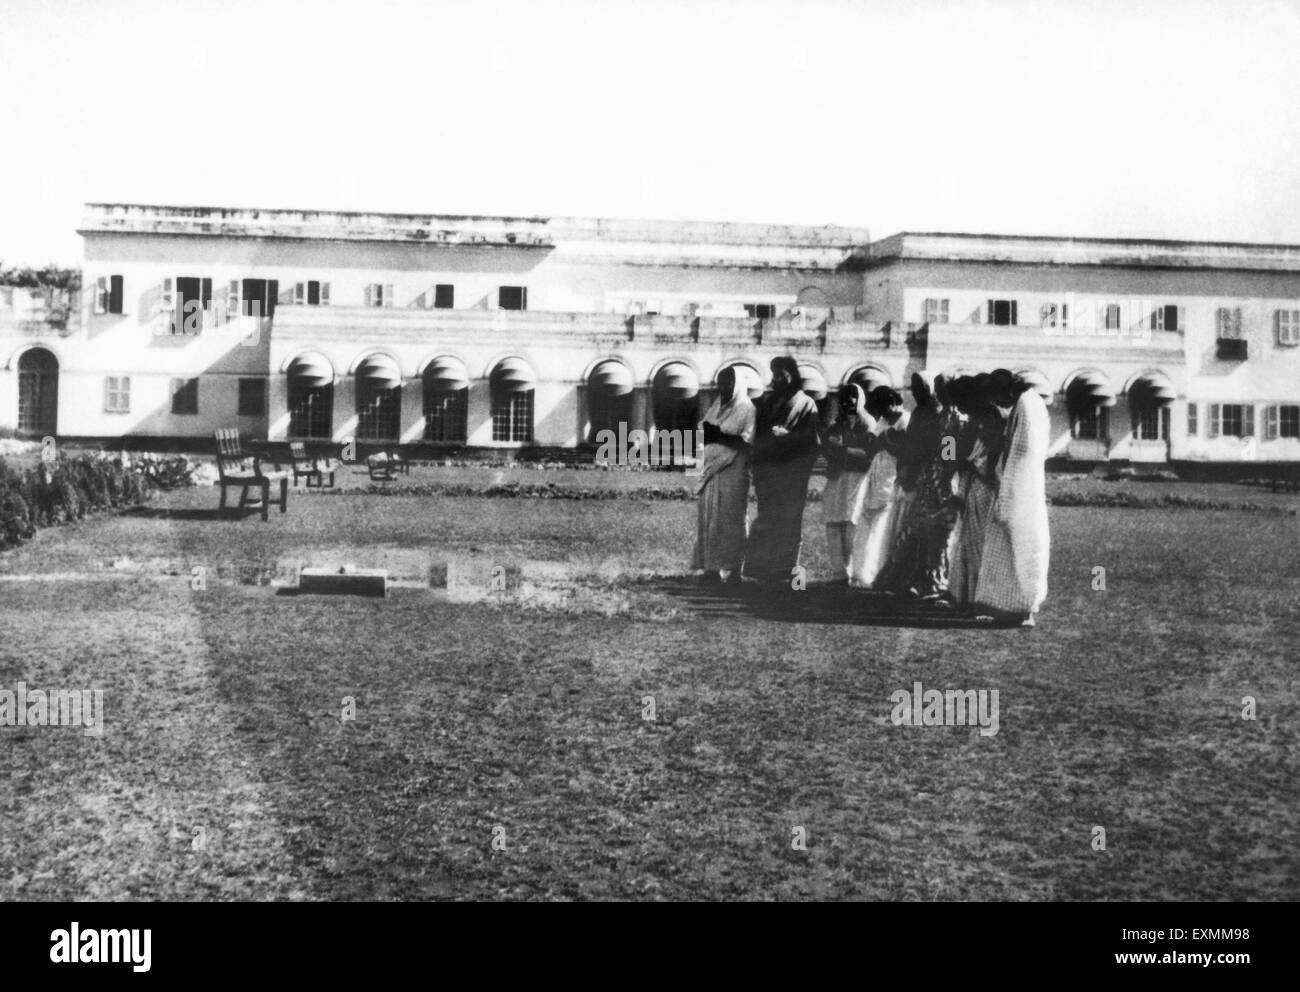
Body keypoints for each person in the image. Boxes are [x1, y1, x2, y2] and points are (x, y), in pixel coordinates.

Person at [974, 369, 1051, 627]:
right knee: (1005, 547)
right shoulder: (1026, 403)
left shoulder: (1026, 405)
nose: (998, 405)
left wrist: (1007, 488)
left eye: (997, 398)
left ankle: (1023, 605)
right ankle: (1008, 605)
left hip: (1020, 489)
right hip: (1012, 484)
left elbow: (1021, 453)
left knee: (1023, 546)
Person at [876, 371, 952, 597]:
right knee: (913, 529)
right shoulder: (921, 412)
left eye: (922, 387)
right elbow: (913, 444)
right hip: (919, 473)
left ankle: (931, 581)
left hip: (934, 477)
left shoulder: (940, 414)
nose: (917, 391)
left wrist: (941, 471)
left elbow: (945, 450)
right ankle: (906, 578)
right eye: (914, 387)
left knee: (930, 531)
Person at [745, 356, 820, 584]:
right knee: (767, 517)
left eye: (782, 374)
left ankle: (785, 568)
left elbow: (812, 441)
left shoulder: (806, 404)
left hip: (792, 473)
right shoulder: (768, 402)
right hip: (769, 471)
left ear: (792, 376)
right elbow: (759, 436)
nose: (777, 379)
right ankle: (760, 567)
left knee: (788, 520)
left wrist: (789, 437)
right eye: (774, 374)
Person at [692, 365, 756, 584]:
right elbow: (703, 432)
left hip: (734, 471)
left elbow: (746, 442)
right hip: (712, 471)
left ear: (737, 383)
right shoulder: (717, 406)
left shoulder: (747, 409)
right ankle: (711, 569)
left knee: (733, 519)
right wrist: (713, 435)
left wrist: (718, 434)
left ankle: (735, 570)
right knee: (710, 519)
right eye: (720, 382)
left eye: (727, 382)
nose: (723, 387)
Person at [946, 378, 1005, 612]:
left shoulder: (988, 418)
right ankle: (967, 595)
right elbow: (950, 453)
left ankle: (980, 595)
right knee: (968, 540)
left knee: (979, 541)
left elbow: (990, 456)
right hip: (971, 484)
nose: (957, 407)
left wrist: (962, 458)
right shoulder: (969, 420)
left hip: (985, 487)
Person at [850, 385, 908, 588]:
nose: (883, 412)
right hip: (877, 471)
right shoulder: (883, 421)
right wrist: (879, 441)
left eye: (886, 406)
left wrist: (887, 443)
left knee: (885, 525)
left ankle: (878, 572)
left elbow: (908, 451)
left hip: (894, 473)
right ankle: (861, 572)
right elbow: (872, 445)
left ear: (894, 402)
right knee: (867, 521)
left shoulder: (906, 421)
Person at [820, 383, 876, 583]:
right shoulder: (837, 424)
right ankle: (839, 572)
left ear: (860, 398)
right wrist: (831, 448)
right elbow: (825, 445)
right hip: (837, 476)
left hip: (857, 477)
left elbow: (868, 453)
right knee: (833, 521)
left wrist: (843, 448)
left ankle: (853, 570)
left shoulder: (868, 424)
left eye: (853, 397)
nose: (848, 401)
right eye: (845, 397)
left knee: (852, 522)